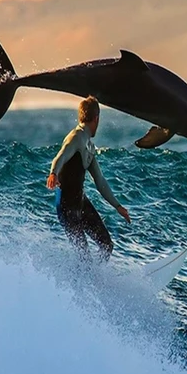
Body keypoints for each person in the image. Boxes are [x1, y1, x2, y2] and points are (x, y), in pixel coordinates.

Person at [46, 96, 131, 260]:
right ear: (97, 118)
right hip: (66, 206)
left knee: (107, 245)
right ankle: (79, 283)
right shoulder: (76, 138)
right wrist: (53, 173)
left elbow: (100, 182)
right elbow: (60, 156)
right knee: (83, 255)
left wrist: (117, 206)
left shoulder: (90, 147)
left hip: (80, 202)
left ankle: (96, 279)